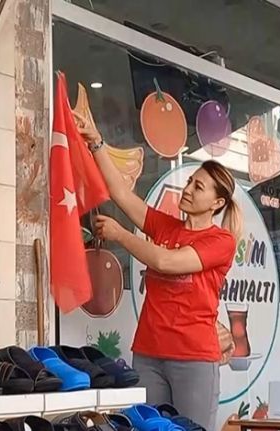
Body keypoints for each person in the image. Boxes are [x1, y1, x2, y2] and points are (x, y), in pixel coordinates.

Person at [76, 114, 242, 431]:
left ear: (217, 202)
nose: (188, 189)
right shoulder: (166, 226)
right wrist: (96, 142)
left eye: (199, 187)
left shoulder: (220, 241)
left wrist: (122, 235)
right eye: (190, 181)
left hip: (194, 359)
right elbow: (121, 194)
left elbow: (167, 262)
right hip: (148, 354)